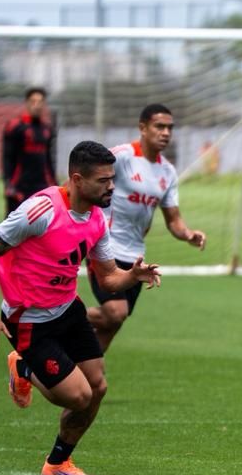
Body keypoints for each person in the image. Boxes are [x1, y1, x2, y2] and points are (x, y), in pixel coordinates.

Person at [0, 141, 161, 475]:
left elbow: (107, 278)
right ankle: (25, 367)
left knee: (97, 388)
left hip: (68, 310)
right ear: (77, 179)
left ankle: (58, 464)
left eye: (112, 179)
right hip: (27, 319)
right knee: (78, 397)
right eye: (103, 181)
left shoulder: (96, 219)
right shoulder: (40, 211)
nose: (112, 187)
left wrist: (132, 275)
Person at [86, 103, 206, 352]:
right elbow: (80, 181)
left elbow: (173, 219)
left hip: (135, 255)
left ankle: (85, 373)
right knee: (116, 312)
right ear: (143, 128)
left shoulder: (168, 171)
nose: (166, 133)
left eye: (170, 128)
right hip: (104, 246)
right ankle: (49, 316)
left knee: (112, 324)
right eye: (159, 126)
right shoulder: (120, 156)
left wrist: (188, 234)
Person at [2, 87, 57, 215]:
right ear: (27, 103)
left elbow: (49, 159)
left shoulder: (48, 128)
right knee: (14, 229)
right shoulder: (14, 126)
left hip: (42, 186)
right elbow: (7, 157)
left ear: (44, 104)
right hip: (19, 187)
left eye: (40, 102)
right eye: (33, 101)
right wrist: (8, 184)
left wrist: (54, 183)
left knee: (44, 227)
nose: (36, 106)